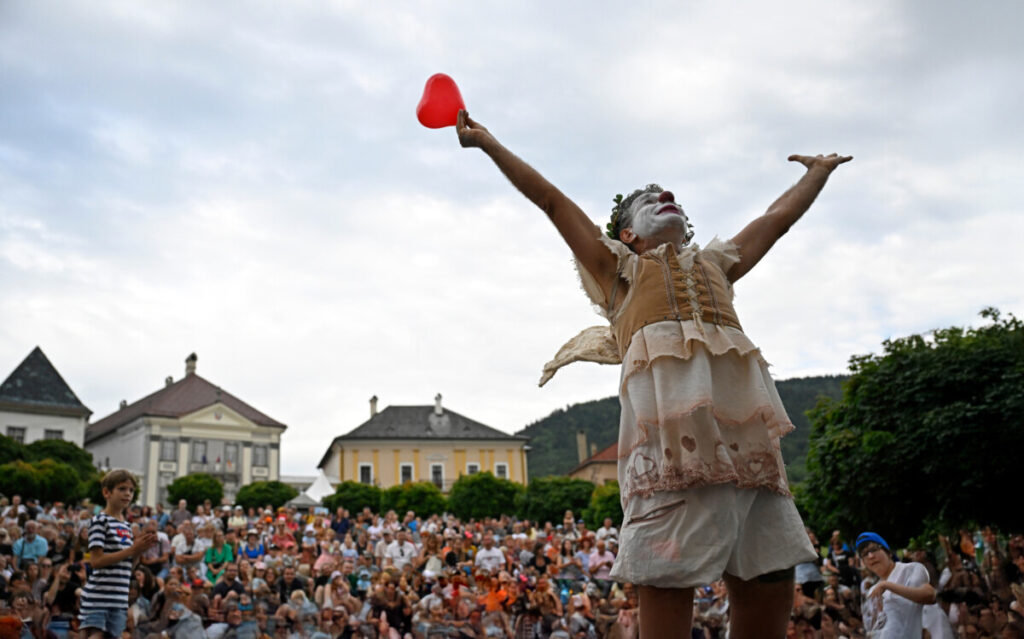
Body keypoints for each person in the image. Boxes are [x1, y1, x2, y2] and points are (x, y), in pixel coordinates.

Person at [456, 110, 850, 638]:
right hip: (670, 447)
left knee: (771, 569)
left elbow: (774, 221)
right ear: (626, 233)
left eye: (673, 198)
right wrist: (489, 144)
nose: (666, 197)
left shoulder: (715, 264)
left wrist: (815, 174)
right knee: (664, 574)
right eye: (649, 200)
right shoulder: (617, 271)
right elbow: (550, 199)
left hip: (746, 446)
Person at [79, 469, 157, 639]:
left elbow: (129, 567)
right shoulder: (100, 521)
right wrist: (132, 550)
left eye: (131, 490)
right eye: (122, 489)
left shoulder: (127, 526)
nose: (127, 494)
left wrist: (140, 550)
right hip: (99, 595)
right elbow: (96, 561)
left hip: (119, 597)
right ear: (107, 492)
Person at [856, 531, 937, 639]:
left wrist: (888, 585)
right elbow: (872, 630)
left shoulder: (911, 570)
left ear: (888, 552)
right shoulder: (871, 592)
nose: (870, 556)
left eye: (874, 549)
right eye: (865, 554)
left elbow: (930, 595)